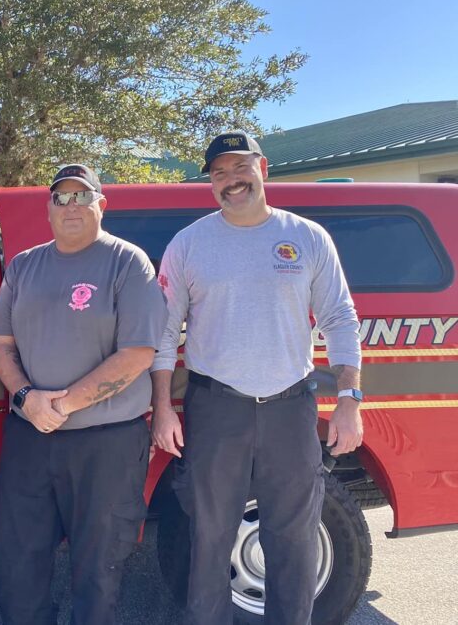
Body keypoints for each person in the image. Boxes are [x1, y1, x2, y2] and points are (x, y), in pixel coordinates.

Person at [150, 131, 364, 625]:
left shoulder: (307, 237)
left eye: (239, 168)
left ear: (262, 169)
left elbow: (340, 318)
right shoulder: (189, 244)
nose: (231, 180)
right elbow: (164, 332)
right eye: (219, 173)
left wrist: (350, 398)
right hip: (215, 407)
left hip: (292, 407)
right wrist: (163, 406)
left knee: (293, 540)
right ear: (210, 183)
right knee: (209, 537)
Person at [0, 164, 167, 624]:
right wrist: (27, 398)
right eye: (61, 198)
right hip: (30, 436)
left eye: (80, 196)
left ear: (100, 205)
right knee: (19, 562)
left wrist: (63, 405)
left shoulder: (128, 263)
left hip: (105, 442)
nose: (70, 206)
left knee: (98, 567)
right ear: (48, 209)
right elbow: (1, 343)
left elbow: (137, 353)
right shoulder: (24, 265)